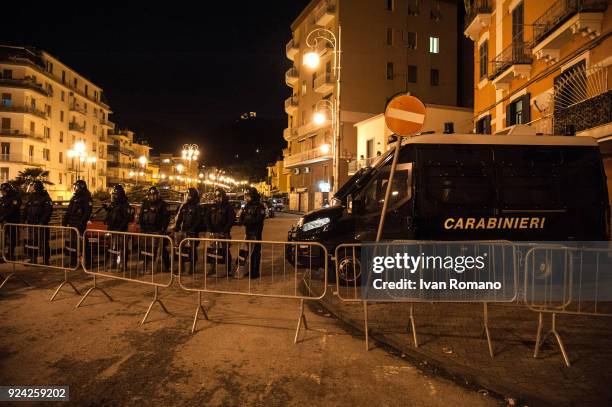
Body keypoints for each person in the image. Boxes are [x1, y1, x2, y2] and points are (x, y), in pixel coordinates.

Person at [138, 186, 171, 272]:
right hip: (147, 231)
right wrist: (142, 227)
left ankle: (167, 266)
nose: (152, 197)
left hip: (158, 231)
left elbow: (166, 218)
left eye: (154, 195)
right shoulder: (145, 203)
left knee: (162, 249)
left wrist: (163, 229)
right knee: (146, 249)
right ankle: (146, 266)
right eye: (150, 195)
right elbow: (141, 216)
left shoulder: (162, 204)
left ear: (157, 195)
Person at [62, 180, 93, 267]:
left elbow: (87, 212)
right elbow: (69, 210)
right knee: (72, 244)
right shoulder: (74, 197)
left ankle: (87, 262)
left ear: (81, 187)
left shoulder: (87, 197)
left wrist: (81, 222)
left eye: (76, 187)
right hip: (72, 224)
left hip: (80, 225)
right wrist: (65, 220)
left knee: (83, 244)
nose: (75, 188)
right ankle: (73, 262)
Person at [205, 188, 235, 276]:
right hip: (213, 233)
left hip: (224, 233)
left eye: (219, 196)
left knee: (225, 251)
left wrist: (224, 230)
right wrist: (209, 229)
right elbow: (207, 218)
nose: (217, 198)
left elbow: (231, 220)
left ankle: (228, 269)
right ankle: (212, 268)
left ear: (223, 196)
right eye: (216, 196)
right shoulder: (212, 206)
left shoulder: (228, 207)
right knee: (212, 251)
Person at [237, 187, 266, 279]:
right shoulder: (247, 206)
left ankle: (255, 272)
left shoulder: (260, 206)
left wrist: (247, 221)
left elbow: (259, 219)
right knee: (246, 253)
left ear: (252, 196)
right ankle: (248, 270)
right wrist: (241, 221)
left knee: (255, 254)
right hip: (248, 234)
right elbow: (241, 217)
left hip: (256, 234)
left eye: (248, 196)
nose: (246, 198)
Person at [23, 181, 53, 264]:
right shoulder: (32, 196)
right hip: (31, 223)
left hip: (41, 224)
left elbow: (48, 211)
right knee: (32, 242)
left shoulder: (45, 197)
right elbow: (26, 208)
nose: (32, 189)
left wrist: (42, 222)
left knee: (43, 242)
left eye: (34, 187)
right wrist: (23, 219)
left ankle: (46, 260)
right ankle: (33, 259)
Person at [103, 185, 133, 269]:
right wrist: (106, 210)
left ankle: (122, 264)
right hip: (113, 229)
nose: (114, 196)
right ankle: (113, 263)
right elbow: (111, 214)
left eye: (115, 194)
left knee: (122, 249)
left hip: (121, 230)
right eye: (113, 194)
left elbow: (126, 218)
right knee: (112, 248)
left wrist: (121, 228)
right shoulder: (113, 204)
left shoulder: (125, 204)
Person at [174, 187, 201, 273]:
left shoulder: (197, 207)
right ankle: (181, 267)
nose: (187, 197)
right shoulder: (185, 205)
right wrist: (177, 226)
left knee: (192, 251)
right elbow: (180, 218)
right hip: (183, 232)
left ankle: (191, 268)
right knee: (181, 250)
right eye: (187, 195)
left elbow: (199, 220)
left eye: (189, 195)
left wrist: (193, 229)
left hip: (192, 233)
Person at [0, 182, 22, 261]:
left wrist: (3, 217)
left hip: (12, 221)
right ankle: (3, 254)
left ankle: (10, 254)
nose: (2, 192)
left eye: (3, 190)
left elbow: (13, 209)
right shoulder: (3, 198)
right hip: (4, 222)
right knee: (3, 239)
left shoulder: (15, 197)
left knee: (13, 239)